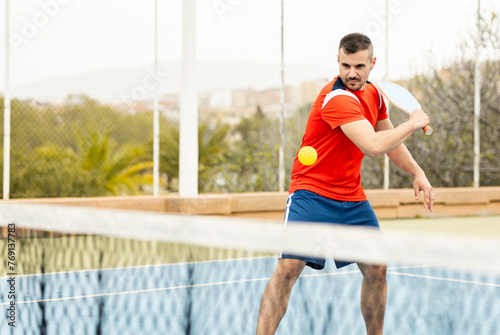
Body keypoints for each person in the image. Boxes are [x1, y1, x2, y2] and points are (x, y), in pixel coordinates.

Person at [256, 33, 435, 335]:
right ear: (338, 62)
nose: (352, 73)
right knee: (288, 270)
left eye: (359, 66)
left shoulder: (375, 96)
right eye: (345, 65)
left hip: (351, 198)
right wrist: (412, 123)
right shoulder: (336, 98)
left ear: (372, 63)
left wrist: (418, 172)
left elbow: (391, 143)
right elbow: (374, 145)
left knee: (377, 270)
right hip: (311, 194)